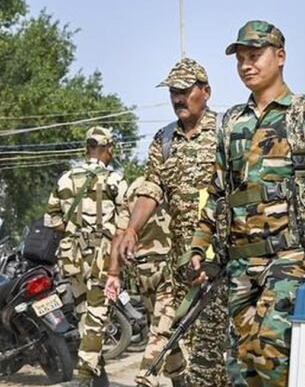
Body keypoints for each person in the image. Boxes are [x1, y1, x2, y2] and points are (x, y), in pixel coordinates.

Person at [186, 20, 305, 387]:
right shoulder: (232, 122)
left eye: (255, 56)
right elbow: (218, 192)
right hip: (240, 261)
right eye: (240, 59)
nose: (246, 65)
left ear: (280, 57)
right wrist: (199, 247)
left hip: (291, 257)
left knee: (273, 354)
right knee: (242, 366)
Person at [105, 58, 229, 387]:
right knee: (180, 345)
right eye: (173, 92)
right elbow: (152, 187)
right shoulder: (164, 140)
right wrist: (132, 229)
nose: (178, 98)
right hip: (181, 266)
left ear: (206, 92)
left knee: (215, 355)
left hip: (222, 266)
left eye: (185, 91)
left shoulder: (227, 132)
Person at [45, 126, 128, 387]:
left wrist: (74, 230)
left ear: (86, 148)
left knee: (84, 313)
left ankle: (98, 378)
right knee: (97, 315)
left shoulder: (65, 179)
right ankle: (84, 377)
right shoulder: (114, 180)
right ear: (108, 148)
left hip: (71, 256)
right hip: (102, 256)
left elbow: (52, 219)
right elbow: (125, 223)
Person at [123, 176, 187, 387]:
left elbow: (121, 231)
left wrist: (115, 270)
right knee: (162, 329)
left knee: (164, 324)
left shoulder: (132, 189)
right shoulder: (173, 181)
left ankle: (179, 379)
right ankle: (146, 378)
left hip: (143, 269)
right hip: (169, 265)